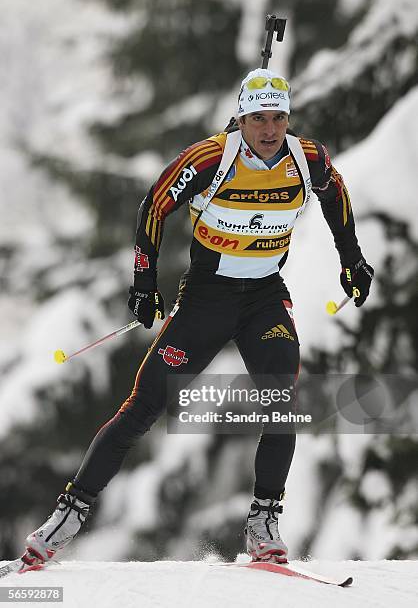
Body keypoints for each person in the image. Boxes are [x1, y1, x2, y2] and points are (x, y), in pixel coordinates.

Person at [20, 68, 373, 568]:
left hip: (264, 299)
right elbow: (154, 207)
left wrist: (352, 261)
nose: (269, 130)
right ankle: (65, 518)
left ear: (288, 119)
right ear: (241, 119)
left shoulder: (307, 158)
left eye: (278, 118)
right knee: (143, 407)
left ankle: (264, 523)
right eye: (257, 119)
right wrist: (144, 283)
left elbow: (336, 196)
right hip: (207, 299)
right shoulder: (211, 158)